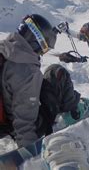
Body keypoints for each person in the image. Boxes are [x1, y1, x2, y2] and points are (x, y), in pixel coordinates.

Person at [0, 14, 84, 148]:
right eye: (44, 48)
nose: (42, 53)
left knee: (43, 84)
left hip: (3, 121)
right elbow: (25, 121)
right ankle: (75, 111)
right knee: (56, 72)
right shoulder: (25, 68)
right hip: (16, 124)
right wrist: (29, 153)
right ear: (37, 41)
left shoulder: (5, 50)